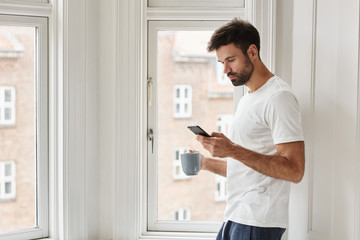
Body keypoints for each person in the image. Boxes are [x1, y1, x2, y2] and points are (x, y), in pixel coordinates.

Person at [195, 18, 305, 240]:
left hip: (257, 220)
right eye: (221, 62)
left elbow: (295, 170)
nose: (226, 69)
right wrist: (205, 163)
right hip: (237, 215)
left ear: (252, 52)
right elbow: (247, 171)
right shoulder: (249, 98)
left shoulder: (278, 97)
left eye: (231, 60)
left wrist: (232, 149)